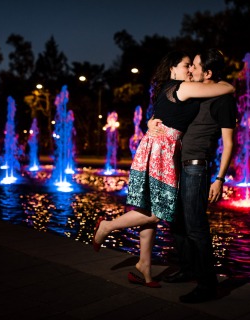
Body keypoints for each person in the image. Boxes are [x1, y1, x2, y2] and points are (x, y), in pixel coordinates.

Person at [92, 50, 235, 288]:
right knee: (158, 211)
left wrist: (150, 122)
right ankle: (107, 226)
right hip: (163, 151)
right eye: (186, 65)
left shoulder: (171, 89)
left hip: (159, 149)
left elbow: (162, 115)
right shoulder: (183, 87)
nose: (190, 70)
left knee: (149, 208)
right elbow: (229, 88)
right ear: (172, 69)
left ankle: (143, 268)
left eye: (193, 66)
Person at [149, 48, 237, 302]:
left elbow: (229, 143)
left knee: (196, 226)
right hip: (178, 164)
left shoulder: (222, 99)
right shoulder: (194, 94)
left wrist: (219, 179)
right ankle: (187, 269)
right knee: (176, 221)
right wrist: (150, 122)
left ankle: (207, 285)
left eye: (195, 66)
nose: (190, 70)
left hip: (196, 167)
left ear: (207, 72)